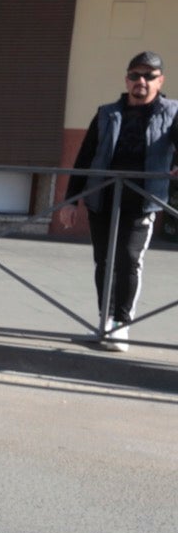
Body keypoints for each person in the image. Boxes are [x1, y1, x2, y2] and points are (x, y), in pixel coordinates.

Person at [65, 50, 175, 352]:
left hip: (142, 202)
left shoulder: (172, 113)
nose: (142, 81)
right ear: (127, 80)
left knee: (128, 259)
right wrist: (71, 201)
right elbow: (85, 158)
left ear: (160, 81)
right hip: (102, 200)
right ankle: (105, 321)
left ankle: (121, 324)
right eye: (135, 75)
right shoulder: (106, 113)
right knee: (103, 262)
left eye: (149, 76)